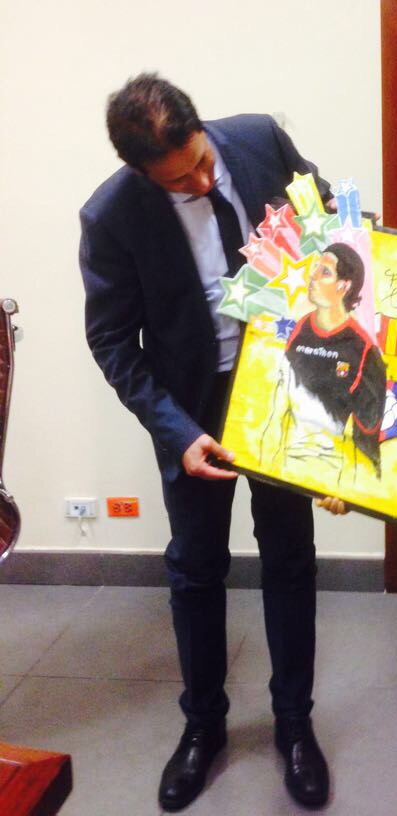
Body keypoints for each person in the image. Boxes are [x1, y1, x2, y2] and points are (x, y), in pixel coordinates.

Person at [79, 73, 333, 812]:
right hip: (191, 407)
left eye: (200, 163)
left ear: (201, 130)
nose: (200, 182)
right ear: (139, 172)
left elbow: (325, 218)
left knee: (290, 555)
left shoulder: (256, 139)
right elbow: (113, 343)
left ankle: (294, 725)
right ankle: (203, 727)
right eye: (178, 181)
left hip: (281, 384)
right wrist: (177, 432)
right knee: (195, 569)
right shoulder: (111, 215)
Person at [262, 243, 386, 482]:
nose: (313, 276)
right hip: (285, 466)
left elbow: (367, 442)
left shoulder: (363, 350)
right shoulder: (299, 330)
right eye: (315, 268)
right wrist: (266, 462)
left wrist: (351, 490)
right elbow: (277, 408)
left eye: (325, 272)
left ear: (344, 286)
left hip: (333, 470)